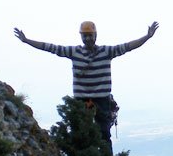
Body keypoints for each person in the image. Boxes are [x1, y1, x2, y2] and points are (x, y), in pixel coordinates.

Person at [14, 20, 159, 147]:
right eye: (85, 35)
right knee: (82, 135)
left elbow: (128, 46)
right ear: (81, 37)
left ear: (95, 36)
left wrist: (147, 37)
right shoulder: (74, 52)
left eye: (90, 35)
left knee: (103, 135)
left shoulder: (106, 51)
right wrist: (27, 41)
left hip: (101, 100)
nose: (88, 38)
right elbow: (50, 47)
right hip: (83, 100)